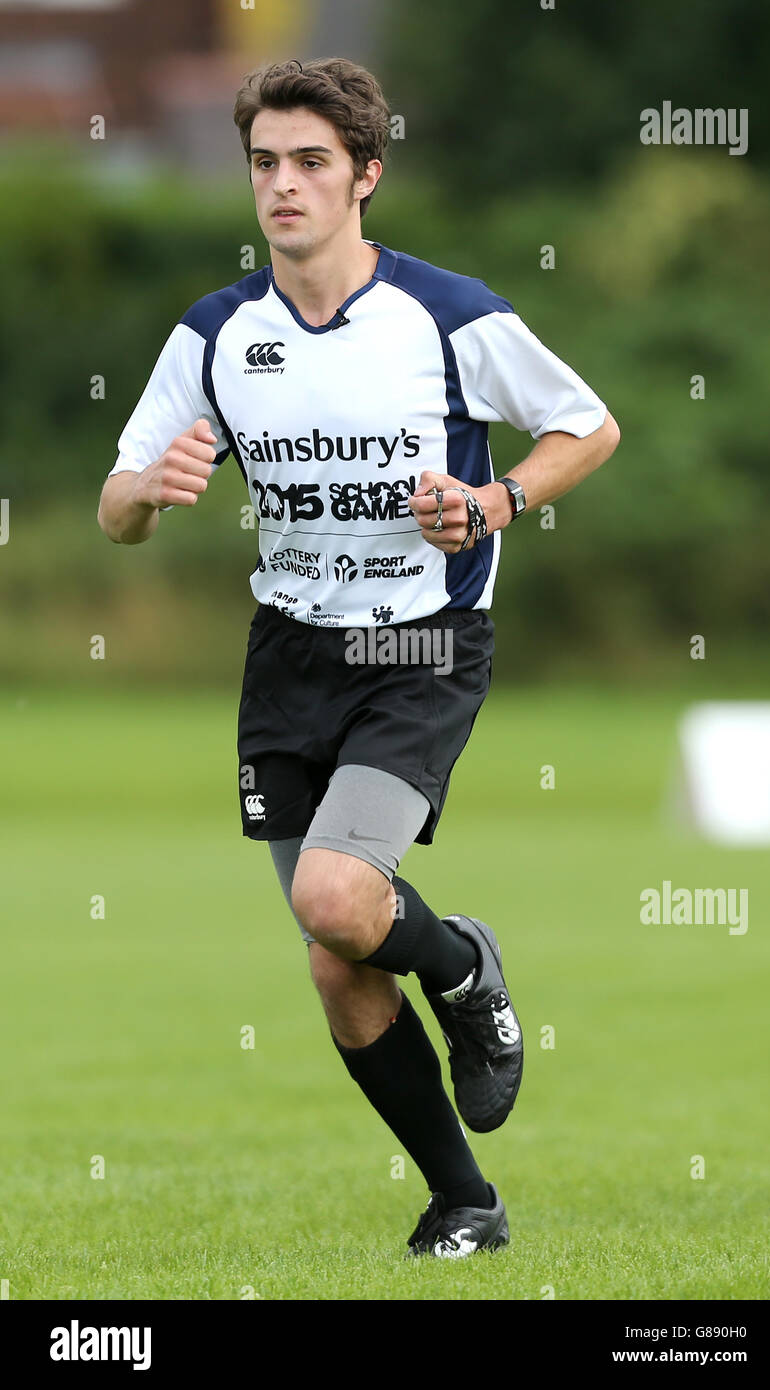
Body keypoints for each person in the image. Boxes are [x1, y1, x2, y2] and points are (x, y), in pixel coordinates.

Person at [97, 56, 620, 1258]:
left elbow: (585, 424)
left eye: (311, 163)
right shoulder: (219, 334)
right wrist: (152, 491)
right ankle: (464, 1201)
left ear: (366, 175)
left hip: (421, 648)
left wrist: (495, 503)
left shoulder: (445, 313)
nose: (282, 185)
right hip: (287, 655)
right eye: (264, 163)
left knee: (337, 899)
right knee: (338, 962)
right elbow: (115, 504)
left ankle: (463, 967)